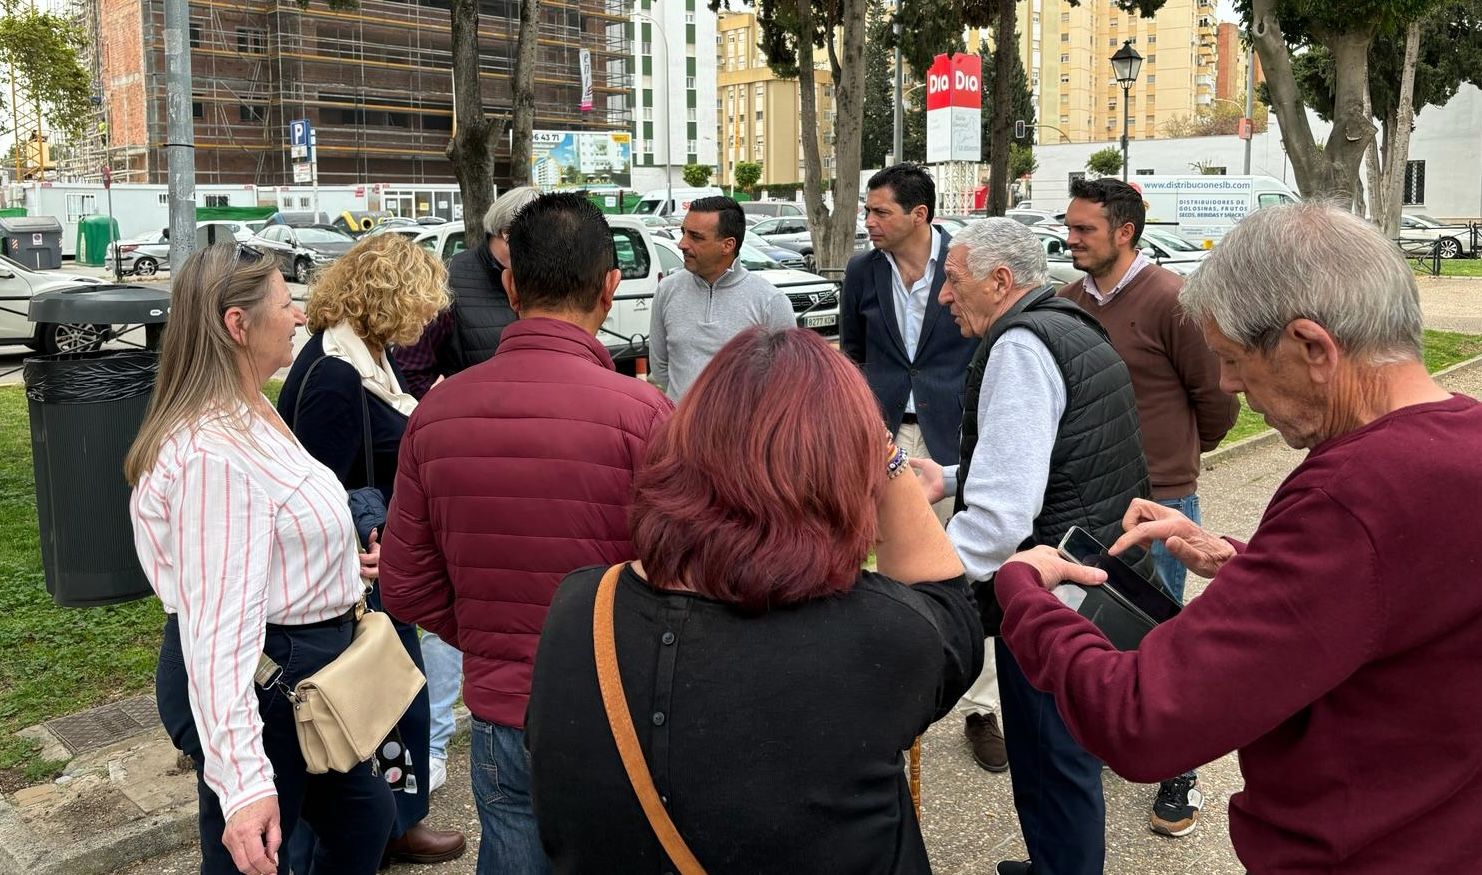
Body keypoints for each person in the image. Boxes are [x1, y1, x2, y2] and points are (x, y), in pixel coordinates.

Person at [993, 201, 1482, 874]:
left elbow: (1143, 722)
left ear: (1312, 347)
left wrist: (1024, 596)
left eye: (1231, 359)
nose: (1228, 386)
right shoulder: (1462, 439)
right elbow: (1409, 597)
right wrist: (1251, 566)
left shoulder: (1353, 493)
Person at [526, 327, 983, 872]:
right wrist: (887, 455)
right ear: (843, 475)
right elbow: (951, 613)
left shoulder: (581, 607)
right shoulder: (878, 635)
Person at [380, 193, 675, 875]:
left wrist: (488, 634)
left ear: (511, 283)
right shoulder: (646, 416)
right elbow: (686, 574)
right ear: (611, 285)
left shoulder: (436, 414)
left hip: (503, 707)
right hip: (620, 706)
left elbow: (404, 583)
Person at [127, 243, 395, 874]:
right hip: (266, 677)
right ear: (236, 324)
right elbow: (218, 633)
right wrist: (244, 786)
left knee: (365, 820)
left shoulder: (251, 410)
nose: (300, 316)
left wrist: (332, 561)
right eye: (285, 303)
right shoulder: (214, 454)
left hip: (298, 667)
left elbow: (266, 535)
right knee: (262, 852)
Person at [910, 218, 1150, 875]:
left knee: (1052, 766)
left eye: (953, 281)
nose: (943, 297)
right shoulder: (1066, 324)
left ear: (1000, 280)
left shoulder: (1019, 346)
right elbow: (1056, 453)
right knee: (1064, 763)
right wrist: (952, 476)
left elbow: (999, 519)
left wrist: (921, 588)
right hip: (1090, 588)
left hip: (1054, 602)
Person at [275, 233, 466, 868]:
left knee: (394, 701)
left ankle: (392, 826)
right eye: (420, 303)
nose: (426, 319)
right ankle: (374, 832)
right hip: (359, 571)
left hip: (378, 560)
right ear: (391, 299)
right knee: (376, 703)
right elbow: (318, 486)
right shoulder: (336, 374)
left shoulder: (360, 358)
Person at [1056, 176, 1238, 836]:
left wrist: (1179, 460)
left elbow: (1217, 398)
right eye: (1069, 226)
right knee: (1103, 621)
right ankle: (1120, 736)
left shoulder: (1171, 300)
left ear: (1124, 232)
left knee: (1163, 634)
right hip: (1094, 495)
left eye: (1084, 230)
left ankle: (1178, 768)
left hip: (1161, 498)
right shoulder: (1068, 300)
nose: (1069, 238)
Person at [840, 165, 1004, 771]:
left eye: (881, 212)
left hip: (950, 438)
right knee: (872, 560)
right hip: (880, 435)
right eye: (868, 210)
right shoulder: (862, 270)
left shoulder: (962, 267)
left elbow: (986, 344)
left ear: (920, 215)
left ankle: (982, 709)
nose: (870, 221)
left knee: (966, 566)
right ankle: (879, 686)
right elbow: (853, 353)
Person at [393, 185, 543, 390]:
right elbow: (410, 370)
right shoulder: (448, 283)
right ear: (506, 233)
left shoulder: (543, 277)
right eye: (539, 239)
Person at [646, 195, 794, 399]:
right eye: (683, 233)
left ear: (728, 245)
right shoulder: (667, 290)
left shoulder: (770, 302)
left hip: (742, 430)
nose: (682, 244)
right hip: (679, 428)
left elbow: (786, 378)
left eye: (695, 237)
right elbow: (660, 366)